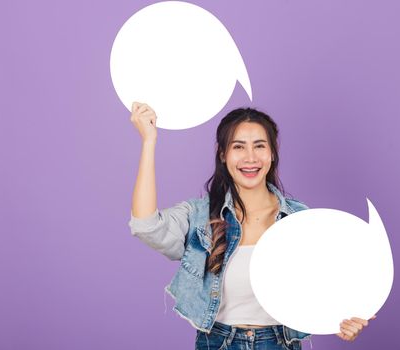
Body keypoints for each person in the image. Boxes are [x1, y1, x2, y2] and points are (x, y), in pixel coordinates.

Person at [128, 102, 374, 350]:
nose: (250, 158)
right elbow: (146, 225)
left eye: (259, 146)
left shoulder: (299, 218)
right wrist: (149, 141)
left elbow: (327, 286)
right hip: (218, 343)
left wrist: (342, 322)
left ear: (272, 153)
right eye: (238, 147)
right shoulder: (201, 215)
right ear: (223, 154)